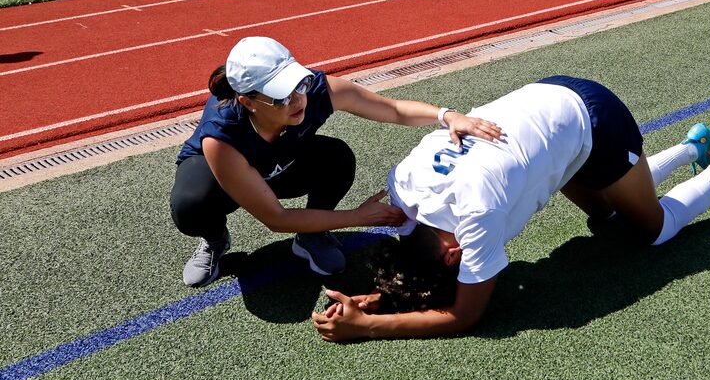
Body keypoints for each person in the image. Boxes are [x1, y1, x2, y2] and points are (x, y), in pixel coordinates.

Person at [311, 75, 710, 342]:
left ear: (453, 255)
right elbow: (419, 260)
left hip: (595, 118)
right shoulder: (404, 187)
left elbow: (467, 315)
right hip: (544, 102)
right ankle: (694, 149)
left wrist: (371, 326)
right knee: (606, 216)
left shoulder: (477, 217)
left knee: (653, 230)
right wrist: (386, 298)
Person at [171, 36, 502, 288]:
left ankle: (313, 236)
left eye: (297, 84)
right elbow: (276, 218)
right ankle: (214, 240)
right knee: (190, 206)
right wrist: (356, 217)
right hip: (226, 179)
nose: (297, 98)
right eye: (280, 94)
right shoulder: (221, 137)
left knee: (337, 157)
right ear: (248, 101)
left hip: (281, 165)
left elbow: (393, 110)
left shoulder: (317, 91)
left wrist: (447, 116)